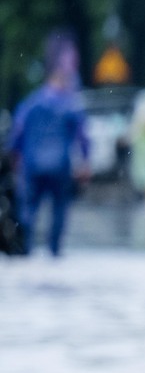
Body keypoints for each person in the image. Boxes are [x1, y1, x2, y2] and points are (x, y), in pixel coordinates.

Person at [7, 46, 88, 256]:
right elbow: (82, 136)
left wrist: (14, 157)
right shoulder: (70, 106)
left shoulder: (30, 103)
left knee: (29, 209)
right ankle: (54, 251)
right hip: (60, 165)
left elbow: (17, 133)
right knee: (59, 210)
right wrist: (85, 161)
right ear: (62, 81)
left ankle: (26, 248)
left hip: (32, 165)